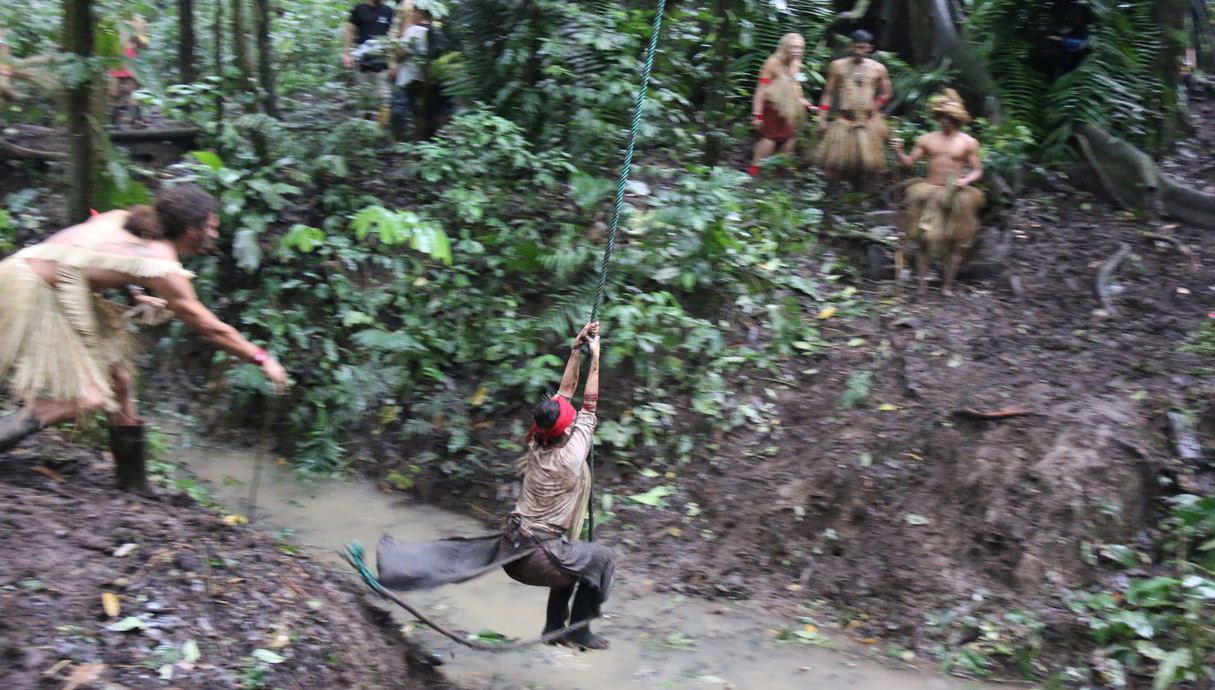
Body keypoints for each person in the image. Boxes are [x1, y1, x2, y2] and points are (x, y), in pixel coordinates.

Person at [0, 185, 290, 489]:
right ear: (190, 230)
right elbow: (210, 327)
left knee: (120, 382)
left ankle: (134, 486)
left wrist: (135, 292)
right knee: (90, 397)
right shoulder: (163, 266)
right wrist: (262, 358)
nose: (215, 235)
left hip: (32, 272)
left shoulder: (122, 218)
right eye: (211, 228)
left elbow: (95, 255)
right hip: (34, 292)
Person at [374, 321, 615, 650]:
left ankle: (554, 628)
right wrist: (596, 357)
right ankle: (579, 630)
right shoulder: (571, 456)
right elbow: (588, 404)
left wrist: (577, 350)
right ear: (566, 430)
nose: (573, 417)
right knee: (599, 559)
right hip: (537, 558)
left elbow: (564, 396)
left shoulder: (538, 443)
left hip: (515, 548)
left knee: (575, 556)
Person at [889, 88, 985, 295]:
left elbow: (977, 170)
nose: (944, 121)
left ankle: (947, 286)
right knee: (923, 239)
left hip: (956, 195)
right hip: (929, 192)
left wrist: (965, 180)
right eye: (941, 117)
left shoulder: (968, 142)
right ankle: (922, 285)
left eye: (948, 118)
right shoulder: (926, 139)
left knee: (955, 243)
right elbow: (909, 163)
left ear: (957, 119)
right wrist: (898, 151)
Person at [815, 30, 892, 187]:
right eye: (856, 47)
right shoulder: (837, 66)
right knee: (835, 165)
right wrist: (821, 118)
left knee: (868, 166)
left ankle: (860, 199)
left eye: (863, 48)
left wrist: (875, 106)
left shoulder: (878, 68)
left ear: (870, 48)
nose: (859, 51)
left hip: (867, 121)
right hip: (844, 121)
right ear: (850, 45)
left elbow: (887, 93)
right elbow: (828, 93)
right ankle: (831, 200)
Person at [747, 33, 813, 177]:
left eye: (800, 48)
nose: (797, 50)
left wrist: (806, 104)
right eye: (794, 47)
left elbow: (795, 88)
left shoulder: (796, 64)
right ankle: (753, 174)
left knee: (789, 140)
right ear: (785, 47)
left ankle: (778, 177)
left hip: (789, 109)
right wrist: (757, 115)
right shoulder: (772, 62)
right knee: (769, 140)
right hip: (772, 108)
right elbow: (761, 89)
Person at [389, 8, 441, 140]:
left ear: (420, 14)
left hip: (410, 78)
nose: (411, 15)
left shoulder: (414, 30)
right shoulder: (437, 32)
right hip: (430, 79)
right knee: (428, 113)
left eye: (414, 12)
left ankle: (406, 140)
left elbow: (401, 53)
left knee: (407, 110)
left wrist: (394, 47)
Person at [342, 0, 396, 123]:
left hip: (382, 60)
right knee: (364, 94)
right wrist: (347, 54)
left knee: (384, 95)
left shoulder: (388, 10)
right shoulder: (358, 9)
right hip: (362, 59)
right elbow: (350, 31)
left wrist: (393, 61)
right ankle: (364, 127)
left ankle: (380, 129)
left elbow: (392, 35)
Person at [108, 15, 149, 127]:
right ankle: (114, 122)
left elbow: (144, 44)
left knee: (133, 92)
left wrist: (139, 35)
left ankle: (135, 120)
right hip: (117, 59)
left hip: (128, 59)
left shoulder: (138, 22)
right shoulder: (112, 21)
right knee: (115, 93)